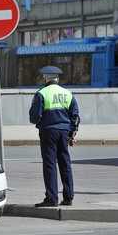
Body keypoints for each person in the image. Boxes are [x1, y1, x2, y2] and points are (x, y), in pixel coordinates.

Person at [29, 66, 80, 207]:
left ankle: (52, 198)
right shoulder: (67, 94)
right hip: (64, 132)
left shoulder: (41, 93)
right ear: (58, 79)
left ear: (44, 79)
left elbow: (34, 117)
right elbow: (75, 116)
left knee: (50, 164)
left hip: (48, 132)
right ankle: (68, 197)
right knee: (65, 163)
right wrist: (72, 134)